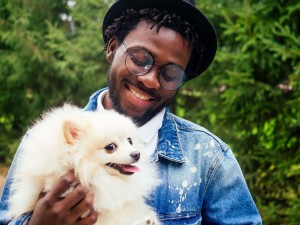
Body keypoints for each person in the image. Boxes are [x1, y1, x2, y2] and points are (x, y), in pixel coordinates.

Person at [0, 0, 263, 224]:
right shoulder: (46, 143)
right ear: (112, 48)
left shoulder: (209, 157)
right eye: (139, 59)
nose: (150, 80)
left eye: (170, 73)